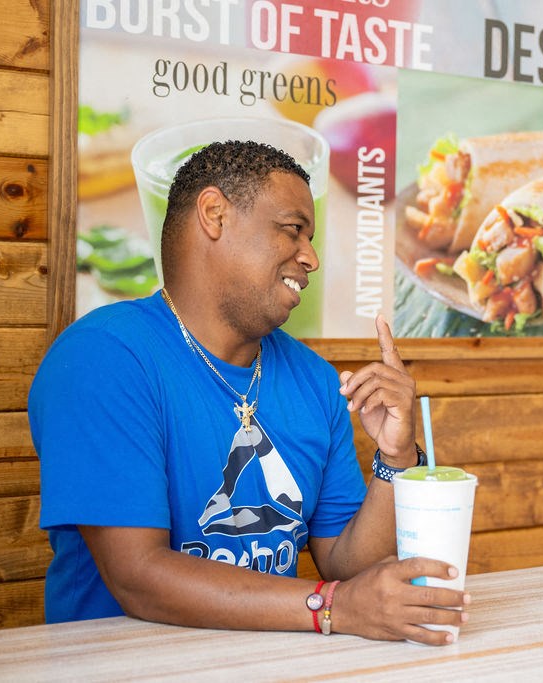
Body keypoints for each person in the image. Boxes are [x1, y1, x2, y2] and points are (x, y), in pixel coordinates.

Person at [29, 140, 468, 644]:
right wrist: (332, 606)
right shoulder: (102, 358)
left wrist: (395, 458)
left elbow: (346, 563)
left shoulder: (317, 381)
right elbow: (137, 577)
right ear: (214, 214)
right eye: (293, 230)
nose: (312, 257)